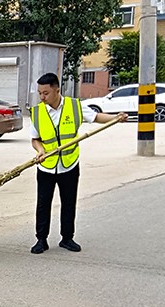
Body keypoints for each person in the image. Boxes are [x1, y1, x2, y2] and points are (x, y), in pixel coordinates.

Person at [29, 73, 127, 254]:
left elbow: (96, 117)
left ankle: (67, 238)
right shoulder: (37, 112)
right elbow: (35, 139)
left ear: (57, 91)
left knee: (69, 202)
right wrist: (40, 151)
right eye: (40, 93)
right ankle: (41, 240)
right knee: (43, 204)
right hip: (46, 167)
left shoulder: (75, 107)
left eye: (46, 93)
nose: (42, 97)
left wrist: (116, 118)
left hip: (69, 164)